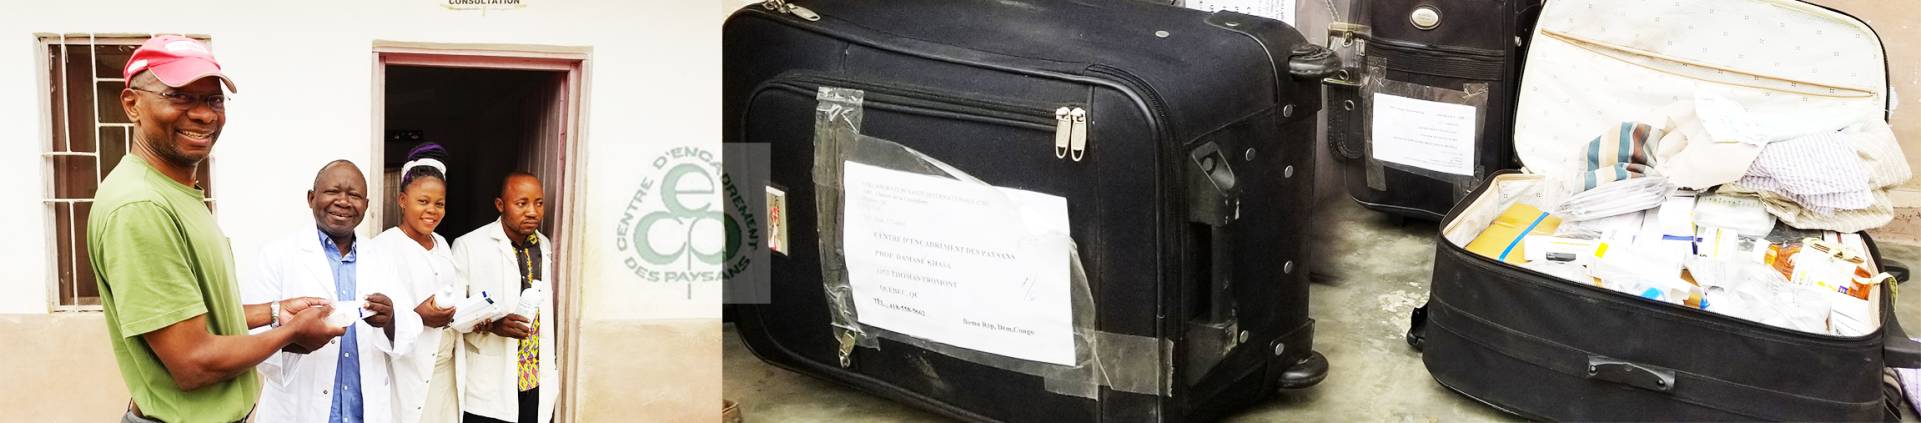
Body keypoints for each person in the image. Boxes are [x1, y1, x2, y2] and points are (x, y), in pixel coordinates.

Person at [89, 35, 345, 423]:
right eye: (179, 96)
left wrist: (274, 312)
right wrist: (291, 334)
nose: (204, 115)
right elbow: (193, 362)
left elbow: (193, 318)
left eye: (213, 100)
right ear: (132, 104)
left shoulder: (174, 193)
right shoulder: (140, 206)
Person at [244, 160, 422, 423]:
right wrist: (296, 340)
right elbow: (251, 338)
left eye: (354, 195)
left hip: (364, 413)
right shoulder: (277, 255)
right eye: (332, 192)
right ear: (311, 198)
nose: (343, 201)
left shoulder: (382, 257)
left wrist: (391, 320)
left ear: (366, 205)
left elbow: (412, 327)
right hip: (298, 411)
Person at [453, 172, 556, 423]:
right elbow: (452, 316)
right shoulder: (468, 246)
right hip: (490, 383)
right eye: (521, 203)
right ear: (500, 205)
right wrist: (493, 325)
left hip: (533, 379)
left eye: (539, 203)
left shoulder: (543, 246)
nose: (532, 212)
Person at [371, 143, 463, 423]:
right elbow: (374, 317)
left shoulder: (442, 244)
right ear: (402, 200)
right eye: (423, 201)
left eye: (439, 204)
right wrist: (418, 316)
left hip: (444, 369)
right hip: (406, 370)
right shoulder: (383, 248)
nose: (431, 210)